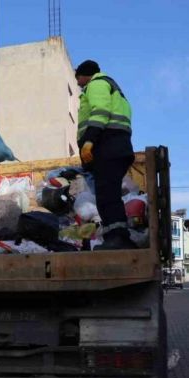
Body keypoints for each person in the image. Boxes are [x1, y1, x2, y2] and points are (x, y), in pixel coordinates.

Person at [75, 60, 136, 250]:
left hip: (107, 146)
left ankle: (117, 239)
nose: (78, 83)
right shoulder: (112, 87)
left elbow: (100, 112)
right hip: (117, 147)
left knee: (107, 196)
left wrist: (89, 141)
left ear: (86, 75)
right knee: (109, 194)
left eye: (78, 78)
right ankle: (119, 238)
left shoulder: (97, 84)